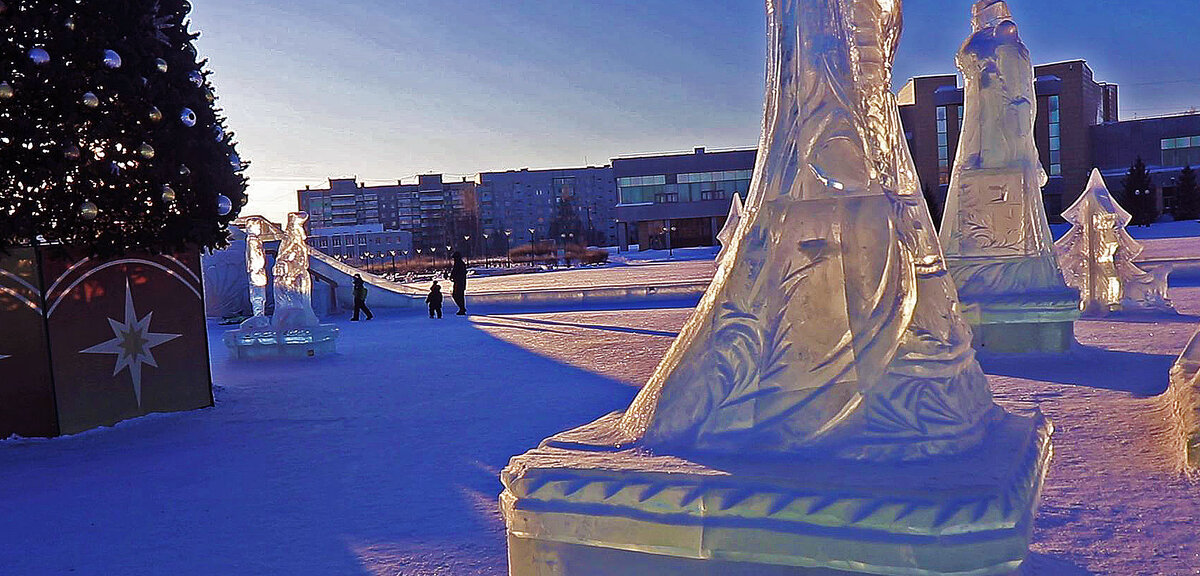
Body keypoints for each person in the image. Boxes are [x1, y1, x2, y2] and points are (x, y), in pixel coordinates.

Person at [450, 251, 468, 316]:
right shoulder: (460, 263)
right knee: (459, 296)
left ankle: (462, 308)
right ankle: (462, 308)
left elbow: (457, 273)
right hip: (460, 282)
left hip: (459, 282)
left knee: (457, 295)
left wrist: (453, 277)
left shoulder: (458, 264)